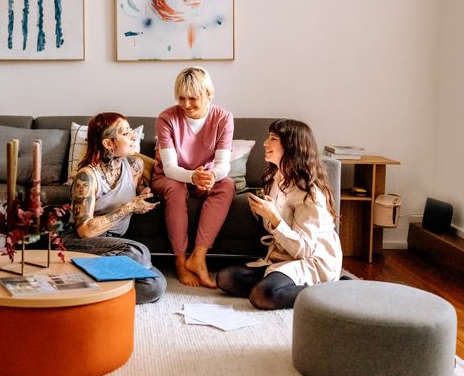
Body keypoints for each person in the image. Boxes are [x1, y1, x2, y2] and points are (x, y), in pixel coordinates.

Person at [216, 119, 342, 310]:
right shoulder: (276, 178)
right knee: (225, 278)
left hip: (311, 261)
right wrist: (262, 212)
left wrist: (273, 217)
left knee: (263, 296)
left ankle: (332, 289)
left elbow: (304, 250)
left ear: (291, 146)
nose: (265, 143)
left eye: (273, 138)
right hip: (283, 258)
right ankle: (275, 285)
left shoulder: (310, 194)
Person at [64, 112, 167, 304]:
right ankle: (86, 275)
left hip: (114, 246)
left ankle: (87, 282)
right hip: (79, 241)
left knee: (156, 286)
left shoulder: (134, 166)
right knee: (138, 253)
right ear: (108, 143)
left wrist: (142, 195)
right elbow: (85, 231)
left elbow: (135, 190)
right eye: (126, 133)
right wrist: (129, 207)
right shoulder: (87, 176)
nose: (133, 137)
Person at [151, 67, 235, 288]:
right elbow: (169, 168)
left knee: (226, 185)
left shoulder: (224, 119)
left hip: (203, 177)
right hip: (171, 178)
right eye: (181, 98)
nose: (186, 104)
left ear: (209, 94)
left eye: (193, 98)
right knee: (176, 188)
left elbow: (223, 164)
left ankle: (198, 258)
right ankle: (180, 262)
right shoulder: (166, 118)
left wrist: (211, 176)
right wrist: (192, 176)